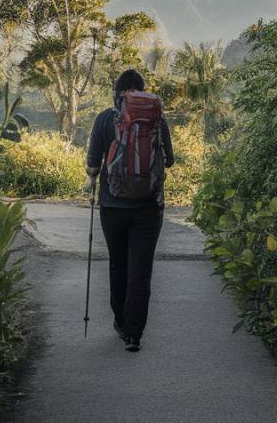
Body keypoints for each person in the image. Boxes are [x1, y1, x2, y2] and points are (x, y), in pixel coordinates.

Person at [85, 68, 174, 352]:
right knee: (141, 270)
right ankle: (134, 334)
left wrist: (93, 182)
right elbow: (169, 161)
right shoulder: (157, 120)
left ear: (117, 93)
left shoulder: (104, 119)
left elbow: (93, 165)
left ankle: (121, 322)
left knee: (118, 263)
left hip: (112, 207)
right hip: (149, 207)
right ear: (143, 92)